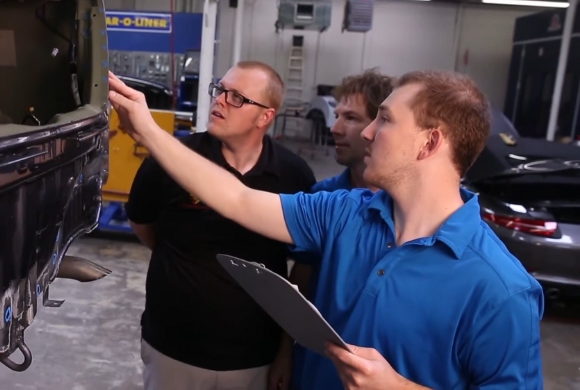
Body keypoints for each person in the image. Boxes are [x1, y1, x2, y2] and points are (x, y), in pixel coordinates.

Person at [108, 69, 544, 389]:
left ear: (429, 143)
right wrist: (147, 128)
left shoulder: (500, 291)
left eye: (385, 120)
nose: (368, 132)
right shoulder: (345, 213)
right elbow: (238, 199)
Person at [125, 61, 316, 390]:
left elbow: (302, 269)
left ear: (265, 117)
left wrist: (286, 351)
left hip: (255, 355)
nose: (221, 100)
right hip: (173, 351)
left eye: (237, 97)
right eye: (220, 90)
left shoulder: (293, 175)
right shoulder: (173, 158)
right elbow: (143, 224)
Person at [287, 68, 395, 390]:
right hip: (318, 368)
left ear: (379, 126)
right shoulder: (323, 196)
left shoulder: (409, 209)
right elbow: (301, 284)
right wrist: (284, 353)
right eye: (337, 115)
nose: (335, 128)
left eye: (350, 118)